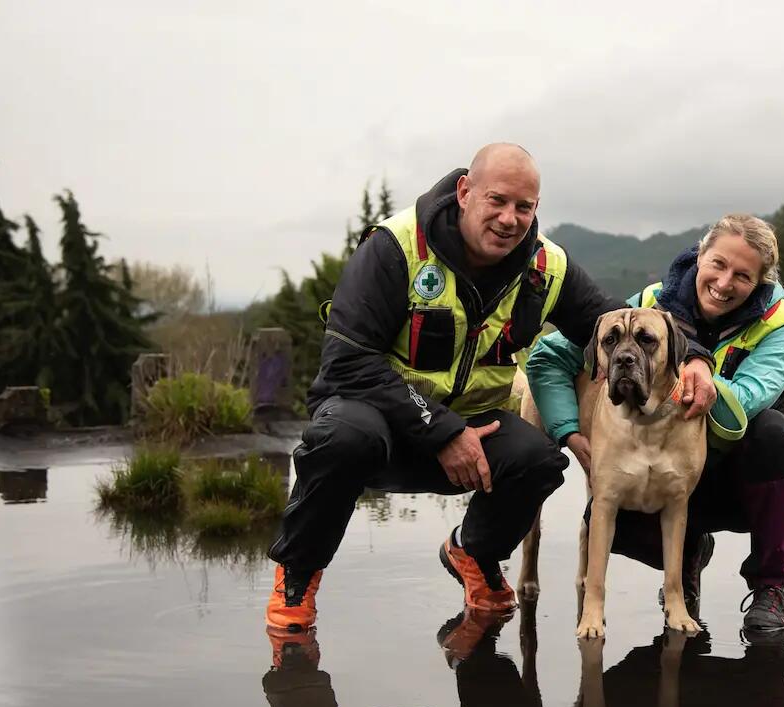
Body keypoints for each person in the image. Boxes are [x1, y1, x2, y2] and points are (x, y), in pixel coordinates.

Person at [265, 143, 717, 633]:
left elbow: (615, 320)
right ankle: (297, 577)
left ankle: (472, 554)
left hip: (473, 428)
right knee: (340, 438)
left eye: (524, 207)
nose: (509, 219)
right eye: (497, 201)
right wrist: (440, 429)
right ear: (464, 192)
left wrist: (695, 358)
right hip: (380, 422)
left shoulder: (546, 267)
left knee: (538, 459)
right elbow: (348, 361)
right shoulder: (395, 247)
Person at [526, 213, 784, 636]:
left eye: (743, 275)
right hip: (662, 465)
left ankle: (772, 584)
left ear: (761, 282)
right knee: (609, 512)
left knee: (771, 432)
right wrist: (570, 431)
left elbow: (744, 403)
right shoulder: (649, 304)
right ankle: (688, 557)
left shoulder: (781, 324)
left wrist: (696, 361)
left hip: (738, 477)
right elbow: (550, 355)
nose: (724, 282)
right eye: (718, 264)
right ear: (700, 256)